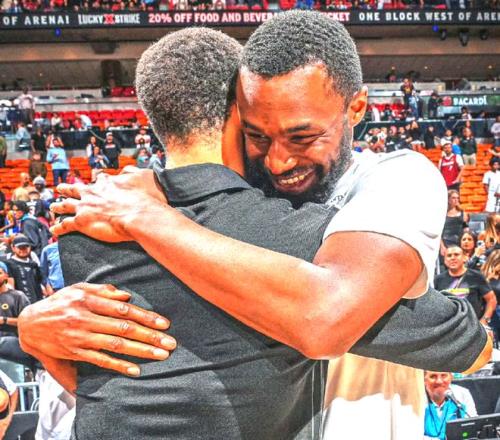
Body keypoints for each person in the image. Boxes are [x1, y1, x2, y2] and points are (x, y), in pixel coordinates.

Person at [20, 16, 490, 440]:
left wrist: (148, 219)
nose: (278, 161)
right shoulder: (223, 207)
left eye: (302, 136)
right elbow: (127, 385)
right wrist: (35, 332)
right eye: (258, 135)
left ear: (357, 108)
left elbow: (327, 315)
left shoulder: (396, 177)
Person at [435, 245, 497, 325]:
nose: (452, 258)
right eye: (449, 256)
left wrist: (484, 321)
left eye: (456, 254)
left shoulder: (476, 276)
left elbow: (491, 300)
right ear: (445, 260)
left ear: (464, 258)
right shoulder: (438, 279)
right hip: (448, 327)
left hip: (472, 326)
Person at [424, 371, 477, 440]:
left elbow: (473, 426)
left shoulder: (463, 394)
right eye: (433, 376)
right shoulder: (415, 399)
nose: (439, 381)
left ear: (451, 377)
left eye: (443, 376)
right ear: (424, 380)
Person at [2, 235, 44, 304]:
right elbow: (10, 287)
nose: (23, 250)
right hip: (20, 303)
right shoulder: (8, 264)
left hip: (37, 302)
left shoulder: (34, 264)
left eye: (25, 247)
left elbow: (39, 282)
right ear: (13, 248)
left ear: (30, 247)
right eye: (20, 247)